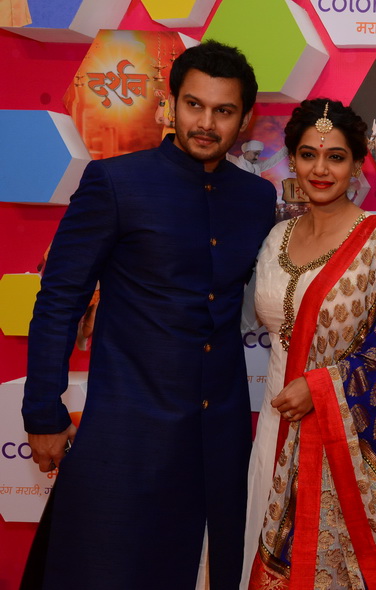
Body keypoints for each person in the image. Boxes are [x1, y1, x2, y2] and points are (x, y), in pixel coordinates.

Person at [22, 41, 277, 589]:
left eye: (224, 111)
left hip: (220, 432)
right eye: (194, 105)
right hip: (128, 427)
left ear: (244, 120)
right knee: (105, 570)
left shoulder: (257, 199)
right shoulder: (116, 183)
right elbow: (60, 299)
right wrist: (42, 412)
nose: (206, 123)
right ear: (170, 103)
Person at [243, 99, 376, 589]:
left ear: (358, 163)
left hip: (341, 432)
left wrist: (321, 387)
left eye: (336, 157)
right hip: (274, 421)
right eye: (308, 155)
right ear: (292, 160)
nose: (320, 170)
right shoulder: (275, 237)